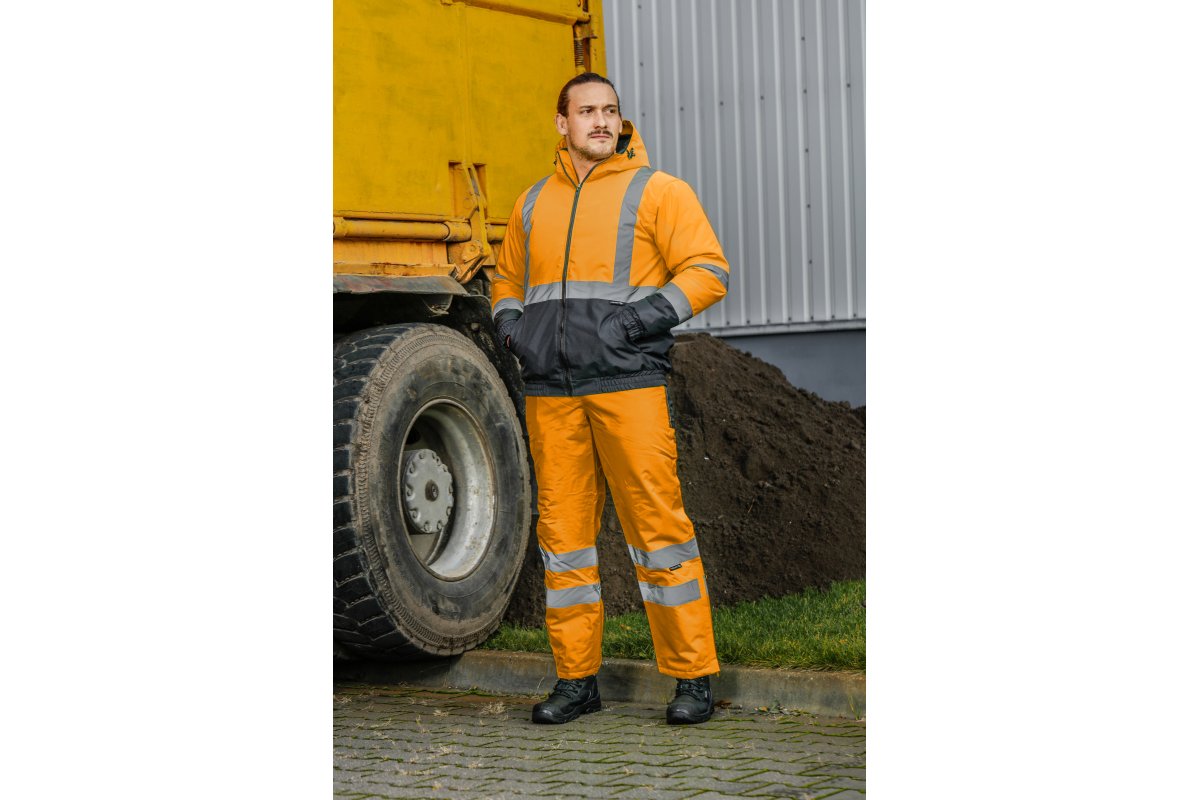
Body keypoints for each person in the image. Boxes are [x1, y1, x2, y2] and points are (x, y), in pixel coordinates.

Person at [492, 72, 731, 725]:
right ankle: (576, 681)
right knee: (563, 538)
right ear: (561, 123)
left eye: (610, 111)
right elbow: (506, 278)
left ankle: (692, 679)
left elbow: (708, 271)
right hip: (551, 392)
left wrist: (632, 323)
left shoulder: (658, 191)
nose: (602, 121)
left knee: (659, 532)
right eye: (588, 111)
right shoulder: (532, 203)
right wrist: (513, 330)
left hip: (628, 385)